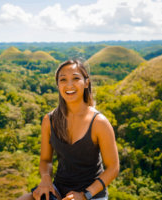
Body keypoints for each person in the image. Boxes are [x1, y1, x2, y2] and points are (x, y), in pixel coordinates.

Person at [17, 60, 119, 200]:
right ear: (58, 85)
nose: (69, 85)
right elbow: (46, 160)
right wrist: (46, 180)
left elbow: (113, 168)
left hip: (92, 195)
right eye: (63, 80)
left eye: (76, 78)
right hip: (58, 190)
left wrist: (85, 195)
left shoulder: (99, 123)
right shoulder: (49, 120)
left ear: (86, 83)